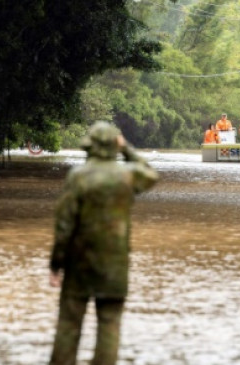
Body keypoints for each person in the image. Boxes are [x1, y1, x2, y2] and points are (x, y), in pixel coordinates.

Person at [49, 121, 159, 365]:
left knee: (69, 322)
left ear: (90, 146)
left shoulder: (78, 176)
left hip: (79, 263)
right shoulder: (127, 176)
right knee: (110, 323)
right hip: (114, 264)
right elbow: (151, 174)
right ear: (114, 146)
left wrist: (56, 264)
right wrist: (126, 149)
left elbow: (64, 225)